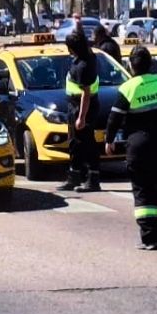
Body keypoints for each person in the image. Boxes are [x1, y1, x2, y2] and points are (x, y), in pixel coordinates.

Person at [105, 46, 157, 250]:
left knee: (143, 189)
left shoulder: (128, 88)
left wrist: (109, 139)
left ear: (131, 66)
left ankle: (149, 237)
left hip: (140, 147)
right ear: (151, 64)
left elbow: (114, 117)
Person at [59, 29, 102, 193]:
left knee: (86, 143)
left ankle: (92, 179)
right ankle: (74, 176)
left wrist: (81, 117)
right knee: (75, 143)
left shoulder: (84, 65)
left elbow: (86, 93)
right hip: (75, 105)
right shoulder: (87, 57)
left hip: (82, 106)